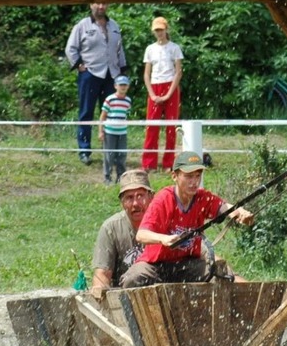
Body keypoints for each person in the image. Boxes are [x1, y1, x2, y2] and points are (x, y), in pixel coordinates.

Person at [120, 151, 253, 288]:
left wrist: (238, 212)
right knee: (134, 278)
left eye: (197, 176)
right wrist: (163, 239)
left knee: (221, 272)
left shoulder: (202, 197)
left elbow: (223, 207)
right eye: (189, 176)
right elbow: (141, 235)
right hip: (155, 266)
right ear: (175, 176)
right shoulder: (163, 199)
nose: (194, 182)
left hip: (188, 265)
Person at [65, 3, 127, 166]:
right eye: (97, 3)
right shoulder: (82, 25)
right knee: (86, 112)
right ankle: (84, 150)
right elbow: (70, 48)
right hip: (90, 73)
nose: (101, 6)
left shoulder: (114, 25)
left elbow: (120, 50)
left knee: (111, 114)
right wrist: (79, 65)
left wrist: (122, 71)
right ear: (91, 5)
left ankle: (111, 151)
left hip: (111, 74)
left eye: (104, 3)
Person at [91, 170, 154, 296]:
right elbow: (102, 275)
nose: (135, 203)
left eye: (140, 196)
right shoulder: (111, 228)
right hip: (124, 296)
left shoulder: (164, 223)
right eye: (129, 198)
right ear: (122, 203)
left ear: (151, 197)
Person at [142, 16, 184, 173]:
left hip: (170, 87)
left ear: (166, 29)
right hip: (154, 87)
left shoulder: (174, 48)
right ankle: (149, 163)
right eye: (156, 30)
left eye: (161, 29)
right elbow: (146, 74)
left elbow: (178, 72)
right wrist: (152, 94)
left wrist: (168, 95)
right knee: (151, 126)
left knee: (171, 127)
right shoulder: (150, 49)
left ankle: (168, 163)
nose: (159, 33)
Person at [99, 75, 132, 184]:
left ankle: (121, 176)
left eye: (125, 85)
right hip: (110, 132)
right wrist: (101, 131)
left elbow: (126, 115)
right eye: (121, 85)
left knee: (122, 155)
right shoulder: (110, 99)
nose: (123, 87)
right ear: (115, 86)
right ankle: (107, 177)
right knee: (109, 155)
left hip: (122, 132)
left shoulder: (128, 100)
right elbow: (102, 116)